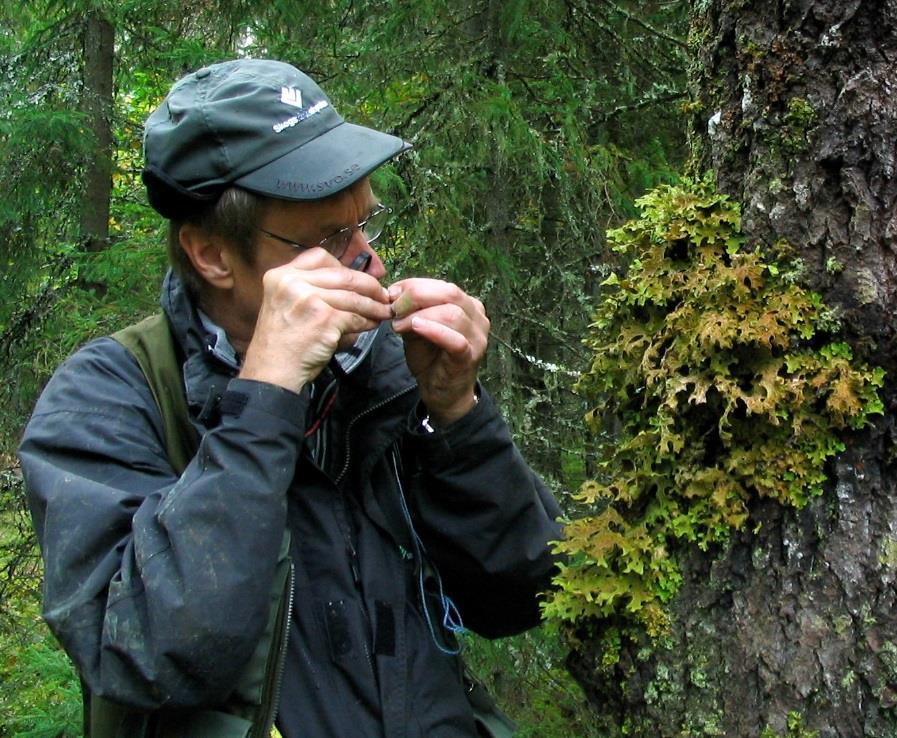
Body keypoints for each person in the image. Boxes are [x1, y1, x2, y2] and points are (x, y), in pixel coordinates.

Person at [18, 59, 561, 738]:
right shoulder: (108, 396)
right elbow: (150, 656)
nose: (371, 262)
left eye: (365, 227)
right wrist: (266, 391)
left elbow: (523, 595)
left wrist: (454, 414)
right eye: (333, 239)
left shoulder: (383, 373)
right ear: (212, 255)